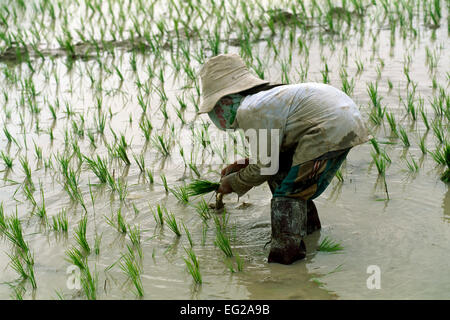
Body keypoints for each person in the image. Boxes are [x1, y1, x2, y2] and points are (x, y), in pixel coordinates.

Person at [198, 53, 369, 264]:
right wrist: (244, 165)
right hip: (343, 120)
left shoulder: (249, 110)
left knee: (287, 196)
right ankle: (308, 232)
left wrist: (231, 183)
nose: (215, 115)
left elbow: (265, 166)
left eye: (214, 109)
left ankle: (285, 260)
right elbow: (272, 159)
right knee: (285, 178)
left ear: (224, 102)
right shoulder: (264, 100)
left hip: (329, 128)